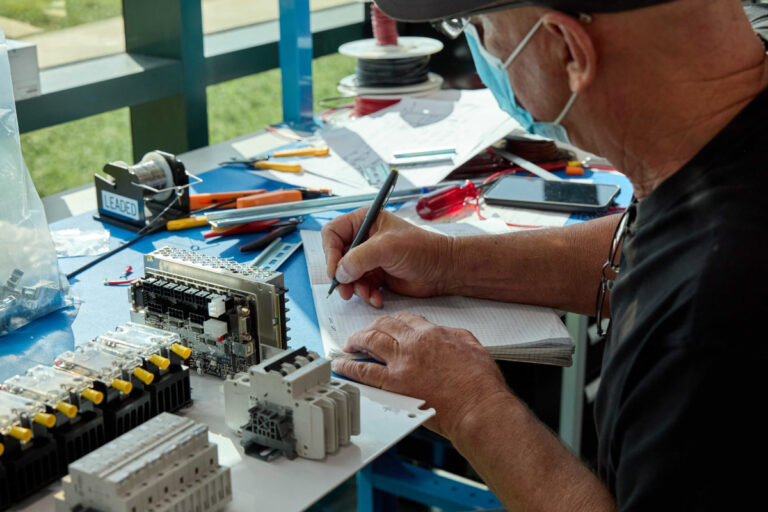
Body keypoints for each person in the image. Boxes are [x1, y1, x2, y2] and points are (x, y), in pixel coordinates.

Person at [322, 0, 768, 509]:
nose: (481, 49)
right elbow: (651, 248)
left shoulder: (711, 321)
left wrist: (472, 406)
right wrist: (449, 262)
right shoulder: (729, 143)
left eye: (481, 28)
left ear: (569, 51)